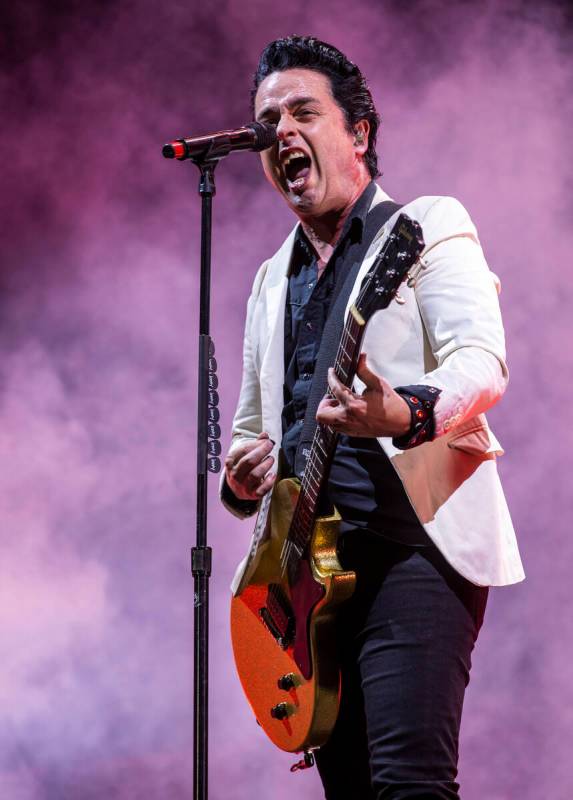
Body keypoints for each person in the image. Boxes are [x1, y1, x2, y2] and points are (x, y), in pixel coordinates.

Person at [220, 35, 524, 800]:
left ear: (358, 133)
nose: (280, 131)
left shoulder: (424, 226)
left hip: (409, 549)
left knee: (409, 785)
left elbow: (480, 361)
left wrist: (405, 410)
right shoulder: (268, 279)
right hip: (304, 585)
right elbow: (255, 433)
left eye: (301, 112)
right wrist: (241, 478)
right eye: (265, 121)